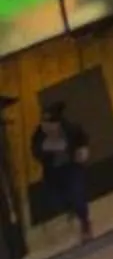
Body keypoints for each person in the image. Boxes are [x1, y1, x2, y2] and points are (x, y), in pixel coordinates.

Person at [31, 101, 90, 241]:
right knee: (59, 199)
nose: (49, 127)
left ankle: (84, 223)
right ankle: (70, 208)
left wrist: (83, 149)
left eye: (52, 123)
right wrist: (46, 148)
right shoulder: (39, 135)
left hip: (71, 167)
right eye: (46, 123)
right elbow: (36, 150)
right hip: (53, 172)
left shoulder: (70, 128)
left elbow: (82, 138)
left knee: (77, 194)